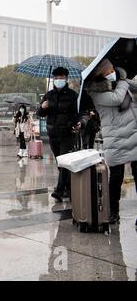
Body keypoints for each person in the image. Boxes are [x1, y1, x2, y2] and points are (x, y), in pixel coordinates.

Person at [84, 58, 137, 224]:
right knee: (116, 178)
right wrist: (123, 81)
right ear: (100, 76)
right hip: (115, 140)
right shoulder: (96, 92)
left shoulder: (122, 84)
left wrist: (126, 80)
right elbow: (116, 99)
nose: (112, 73)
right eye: (108, 72)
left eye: (113, 70)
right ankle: (113, 211)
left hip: (133, 135)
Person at [37, 67, 80, 203]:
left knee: (64, 162)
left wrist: (73, 124)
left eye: (61, 78)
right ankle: (69, 188)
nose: (58, 80)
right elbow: (41, 114)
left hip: (67, 134)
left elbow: (77, 114)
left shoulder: (73, 95)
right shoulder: (49, 95)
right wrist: (42, 107)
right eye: (56, 78)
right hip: (53, 133)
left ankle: (59, 190)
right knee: (60, 162)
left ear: (66, 79)